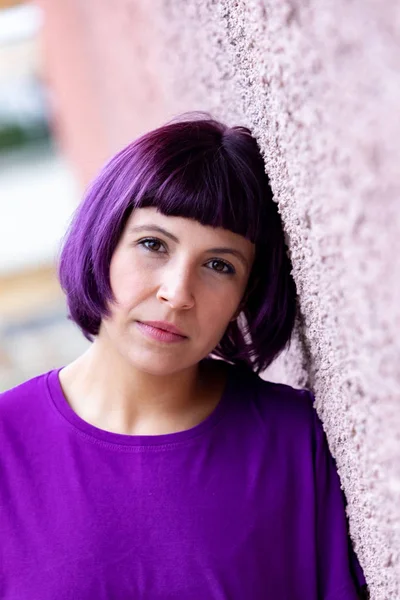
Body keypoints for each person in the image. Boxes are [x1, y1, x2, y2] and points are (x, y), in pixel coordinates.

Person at [0, 114, 368, 599]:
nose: (177, 293)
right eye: (153, 245)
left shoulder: (294, 440)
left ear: (245, 294)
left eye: (219, 265)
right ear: (102, 241)